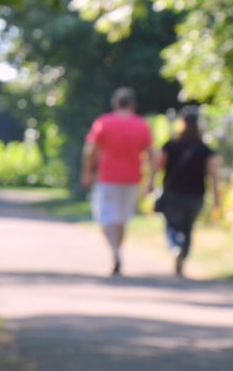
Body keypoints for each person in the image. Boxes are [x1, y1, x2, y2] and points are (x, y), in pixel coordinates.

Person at [81, 87, 155, 275]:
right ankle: (118, 252)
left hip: (107, 178)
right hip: (132, 178)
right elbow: (152, 154)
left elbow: (91, 151)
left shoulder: (103, 123)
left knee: (105, 217)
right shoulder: (142, 125)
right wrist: (151, 179)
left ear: (115, 104)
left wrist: (87, 172)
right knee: (121, 219)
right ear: (133, 105)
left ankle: (115, 251)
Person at [154, 109, 221, 276]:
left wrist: (150, 184)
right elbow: (213, 175)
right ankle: (182, 254)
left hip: (173, 193)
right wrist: (216, 198)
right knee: (188, 227)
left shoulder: (171, 145)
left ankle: (175, 247)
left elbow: (158, 166)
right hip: (196, 195)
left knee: (172, 225)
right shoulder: (205, 149)